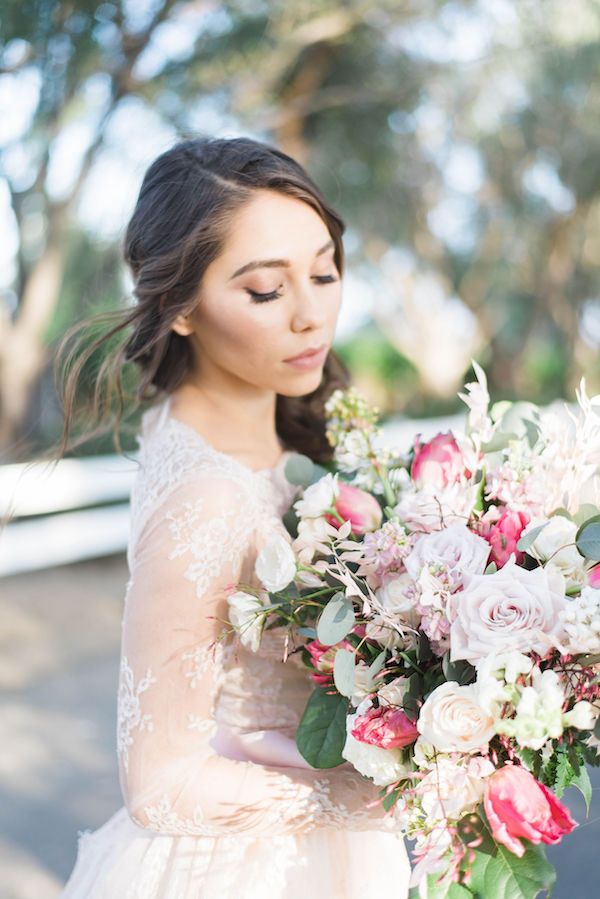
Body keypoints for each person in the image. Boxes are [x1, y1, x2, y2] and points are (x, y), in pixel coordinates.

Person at [57, 136, 411, 898]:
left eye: (323, 271)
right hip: (249, 869)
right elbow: (159, 780)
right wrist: (380, 784)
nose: (313, 314)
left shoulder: (262, 431)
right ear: (180, 307)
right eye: (265, 291)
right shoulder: (209, 498)